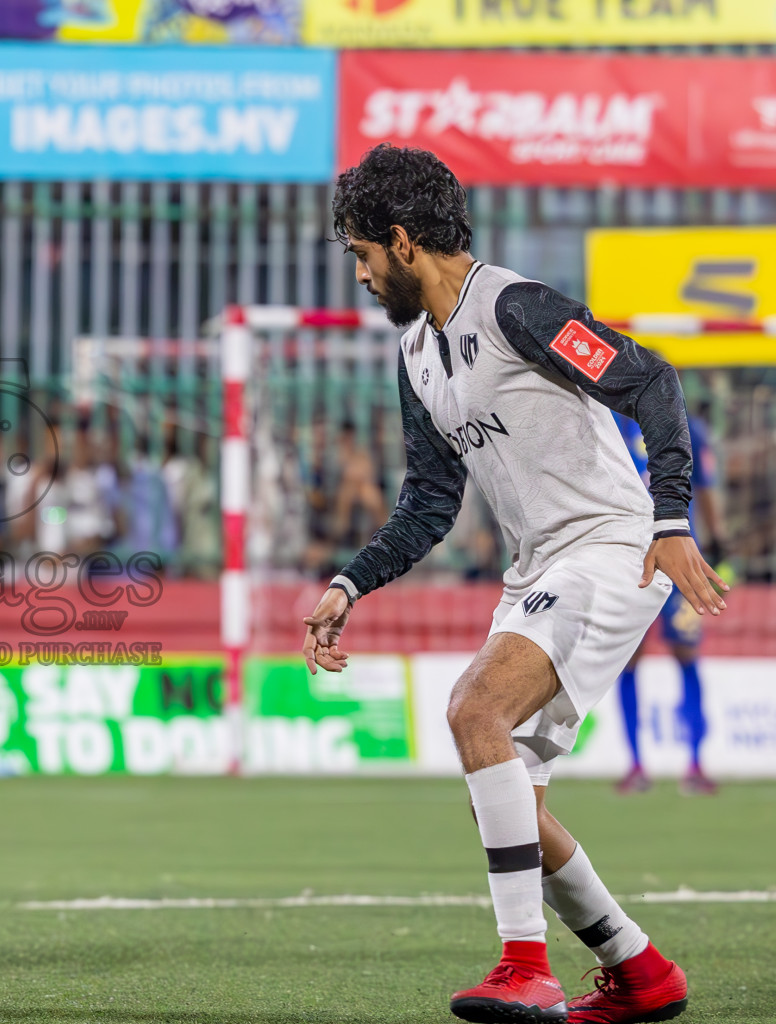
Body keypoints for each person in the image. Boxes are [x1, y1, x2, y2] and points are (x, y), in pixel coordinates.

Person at [302, 145, 724, 1024]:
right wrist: (349, 584)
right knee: (511, 800)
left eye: (362, 254)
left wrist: (670, 517)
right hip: (538, 569)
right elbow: (427, 503)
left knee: (473, 712)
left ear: (403, 240)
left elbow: (650, 379)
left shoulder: (517, 307)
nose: (362, 275)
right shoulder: (417, 353)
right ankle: (641, 971)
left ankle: (524, 965)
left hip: (612, 547)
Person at [613, 407, 725, 795]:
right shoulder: (615, 423)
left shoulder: (682, 424)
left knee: (678, 654)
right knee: (634, 657)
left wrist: (717, 541)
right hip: (634, 555)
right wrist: (719, 539)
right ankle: (641, 764)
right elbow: (706, 489)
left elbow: (705, 485)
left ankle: (689, 763)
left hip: (668, 555)